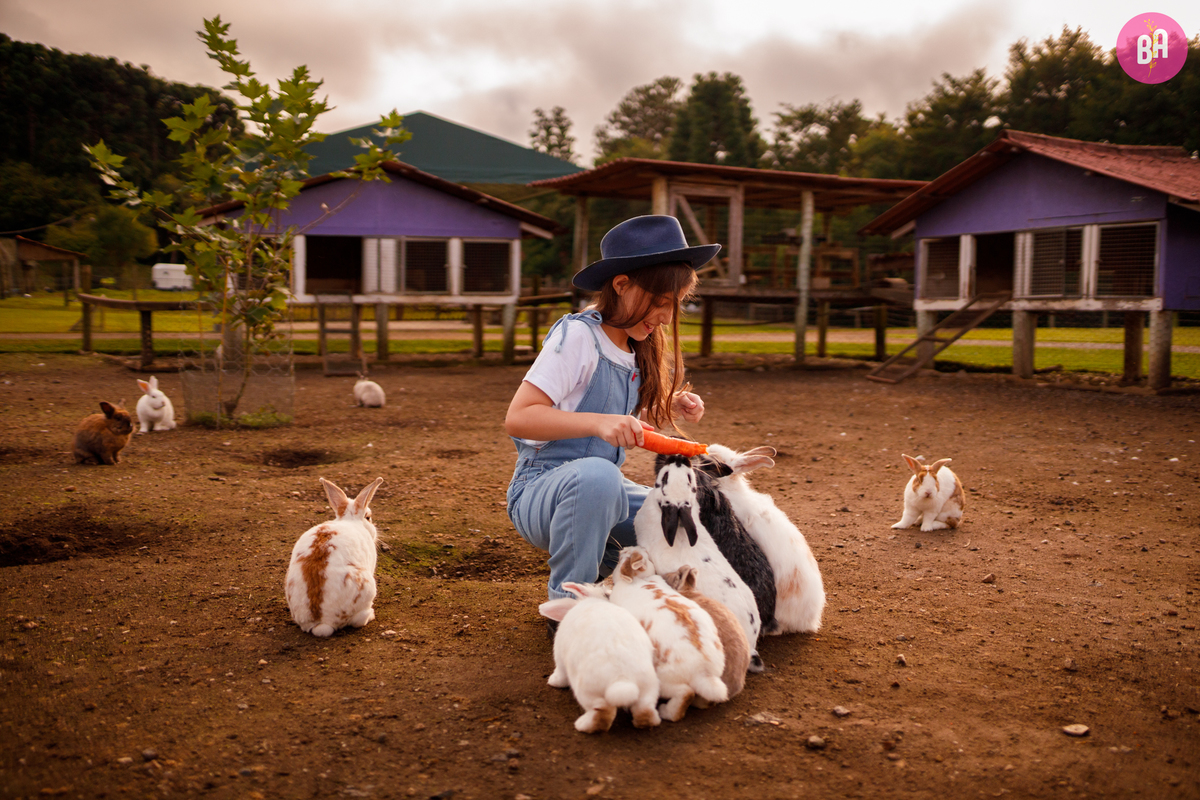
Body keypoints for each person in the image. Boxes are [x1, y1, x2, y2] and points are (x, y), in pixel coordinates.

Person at [504, 215, 719, 605]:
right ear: (621, 285)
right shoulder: (578, 336)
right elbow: (519, 417)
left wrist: (666, 403)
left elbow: (611, 408)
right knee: (599, 476)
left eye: (676, 304)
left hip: (605, 495)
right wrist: (601, 424)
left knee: (688, 515)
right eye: (659, 302)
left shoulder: (633, 348)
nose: (667, 317)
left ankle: (617, 571)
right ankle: (569, 605)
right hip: (543, 492)